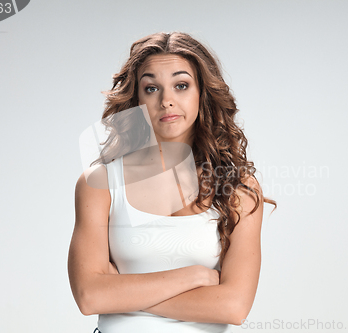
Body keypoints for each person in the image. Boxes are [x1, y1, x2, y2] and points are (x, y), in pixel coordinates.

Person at [68, 31, 277, 333]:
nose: (167, 101)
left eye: (181, 85)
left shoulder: (239, 189)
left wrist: (119, 292)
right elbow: (89, 296)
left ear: (201, 92)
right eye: (151, 88)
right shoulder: (99, 184)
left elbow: (233, 306)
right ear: (137, 98)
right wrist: (192, 277)